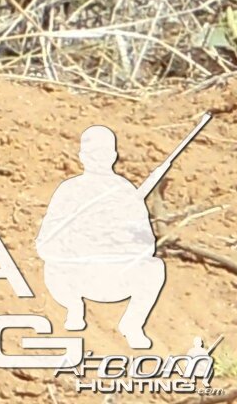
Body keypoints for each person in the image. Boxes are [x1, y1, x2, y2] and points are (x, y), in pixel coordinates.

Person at [37, 125, 167, 351]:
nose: (98, 159)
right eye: (92, 154)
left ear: (113, 156)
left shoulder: (125, 190)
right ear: (82, 157)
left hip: (115, 273)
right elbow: (46, 240)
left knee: (154, 268)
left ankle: (132, 325)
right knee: (52, 268)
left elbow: (146, 244)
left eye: (104, 154)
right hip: (77, 273)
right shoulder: (69, 189)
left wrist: (118, 236)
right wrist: (79, 239)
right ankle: (74, 308)